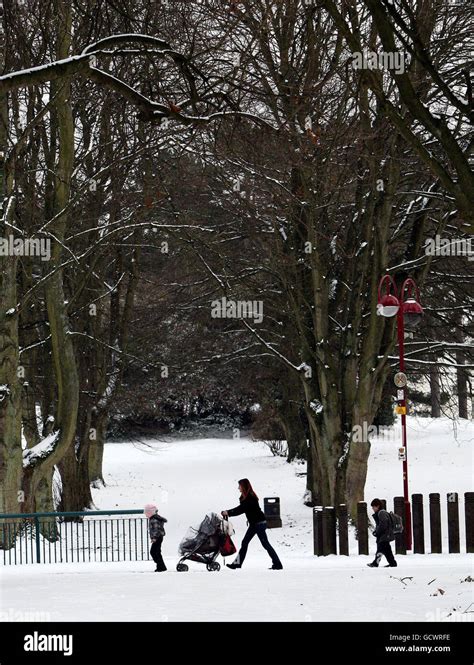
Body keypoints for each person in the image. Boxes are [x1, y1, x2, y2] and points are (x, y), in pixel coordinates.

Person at [221, 478, 283, 570]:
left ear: (244, 486)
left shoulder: (250, 498)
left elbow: (241, 509)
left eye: (240, 486)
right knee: (245, 542)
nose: (238, 488)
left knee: (265, 544)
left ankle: (277, 564)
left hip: (259, 523)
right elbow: (242, 508)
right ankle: (237, 563)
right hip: (254, 524)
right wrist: (229, 512)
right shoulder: (245, 497)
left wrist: (228, 512)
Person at [367, 498, 397, 568]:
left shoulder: (381, 513)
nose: (373, 509)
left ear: (377, 506)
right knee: (387, 550)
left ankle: (375, 563)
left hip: (384, 535)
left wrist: (377, 532)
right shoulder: (382, 512)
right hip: (386, 535)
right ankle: (392, 563)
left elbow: (383, 524)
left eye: (373, 507)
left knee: (380, 549)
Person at [144, 503, 167, 572]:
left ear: (150, 512)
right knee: (157, 552)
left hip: (157, 537)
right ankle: (161, 566)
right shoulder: (154, 518)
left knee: (153, 552)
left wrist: (154, 538)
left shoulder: (154, 520)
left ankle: (161, 566)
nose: (145, 514)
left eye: (146, 512)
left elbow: (156, 530)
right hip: (159, 537)